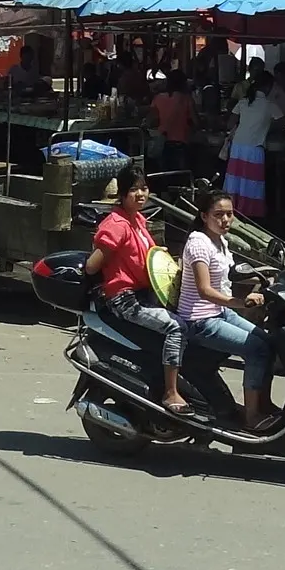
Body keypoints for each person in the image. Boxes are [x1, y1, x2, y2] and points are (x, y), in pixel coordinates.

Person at [85, 168, 186, 413]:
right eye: (133, 189)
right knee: (177, 327)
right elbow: (91, 266)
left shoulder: (138, 220)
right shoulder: (117, 226)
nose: (140, 194)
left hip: (147, 292)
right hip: (125, 299)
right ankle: (171, 393)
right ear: (121, 194)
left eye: (144, 188)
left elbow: (149, 257)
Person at [178, 191, 276, 429]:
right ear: (204, 216)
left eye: (229, 214)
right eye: (218, 215)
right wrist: (241, 303)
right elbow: (205, 291)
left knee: (269, 342)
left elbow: (236, 271)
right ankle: (251, 417)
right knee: (256, 350)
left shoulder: (220, 241)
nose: (225, 220)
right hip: (199, 319)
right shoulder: (199, 243)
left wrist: (267, 276)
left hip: (219, 311)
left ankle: (264, 404)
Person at [224, 68, 277, 220]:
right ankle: (250, 213)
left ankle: (234, 209)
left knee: (236, 182)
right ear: (268, 86)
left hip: (238, 146)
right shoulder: (269, 105)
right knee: (251, 183)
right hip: (254, 148)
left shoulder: (243, 101)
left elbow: (230, 123)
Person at [148, 72, 196, 174]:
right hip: (182, 142)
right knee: (183, 174)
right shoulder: (187, 98)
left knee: (165, 174)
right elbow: (197, 122)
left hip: (163, 142)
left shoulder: (158, 98)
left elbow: (152, 121)